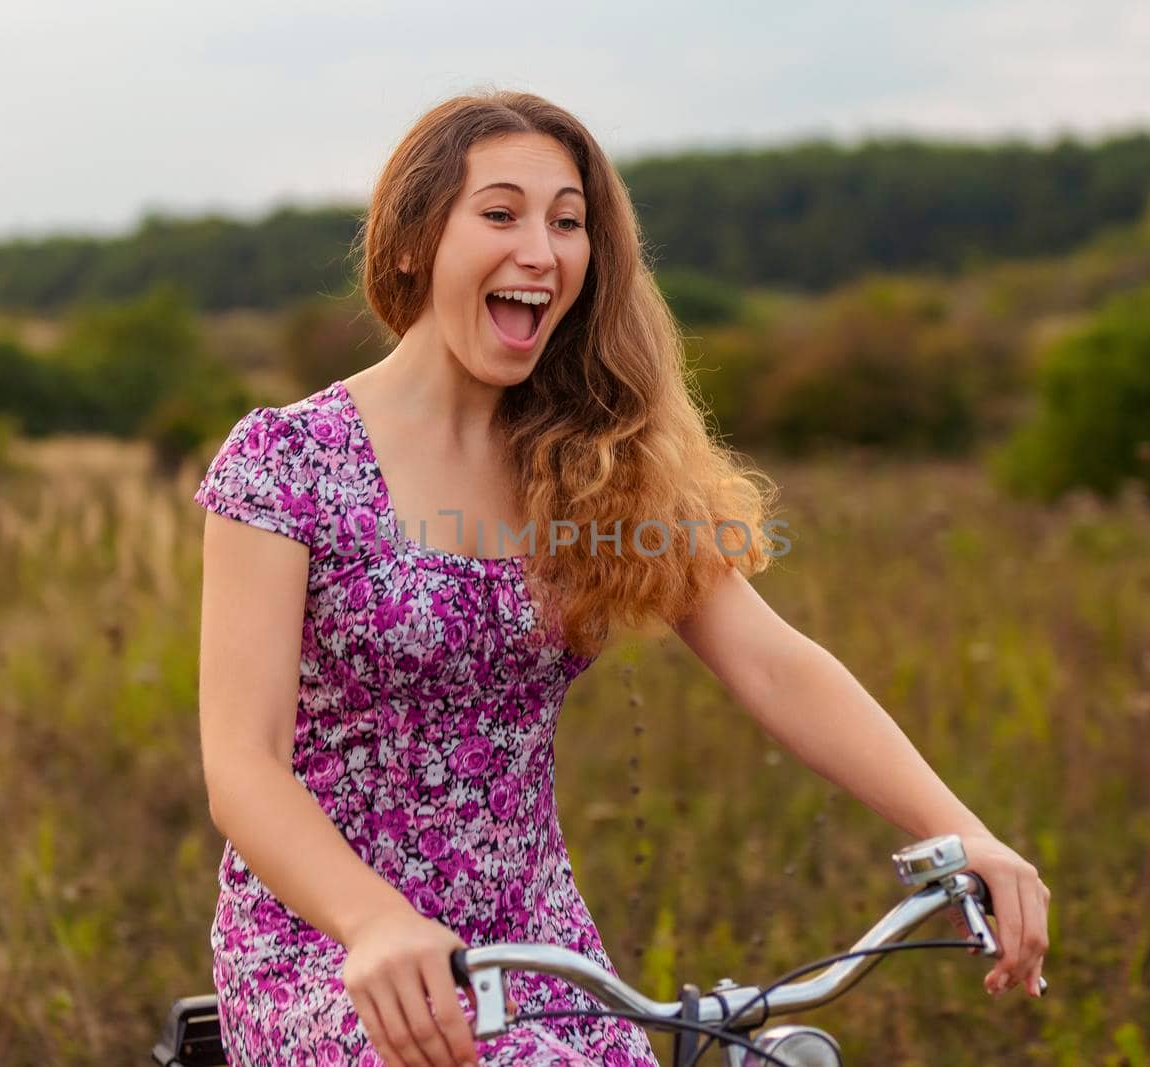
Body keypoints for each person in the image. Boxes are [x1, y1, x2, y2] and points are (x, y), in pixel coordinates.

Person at [194, 89, 1049, 1067]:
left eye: (568, 223)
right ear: (410, 242)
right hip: (328, 948)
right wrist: (375, 921)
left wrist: (963, 832)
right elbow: (242, 763)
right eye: (501, 213)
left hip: (539, 948)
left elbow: (771, 662)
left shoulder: (596, 461)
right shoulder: (287, 458)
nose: (542, 250)